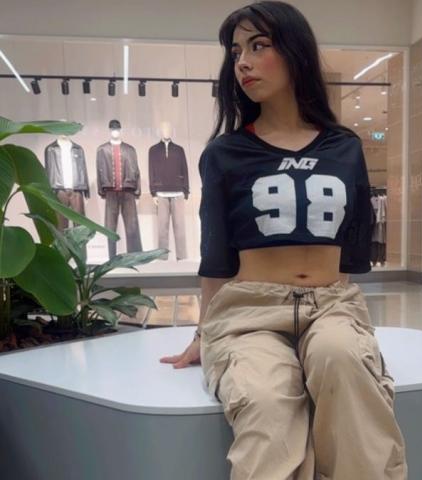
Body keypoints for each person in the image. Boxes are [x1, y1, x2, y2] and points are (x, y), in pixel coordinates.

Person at [160, 2, 407, 478]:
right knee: (266, 403)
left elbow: (351, 250)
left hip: (331, 305)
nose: (243, 63)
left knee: (343, 363)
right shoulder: (225, 153)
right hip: (249, 310)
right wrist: (203, 334)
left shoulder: (344, 147)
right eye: (236, 53)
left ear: (295, 52)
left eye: (259, 46)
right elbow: (216, 256)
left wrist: (334, 314)